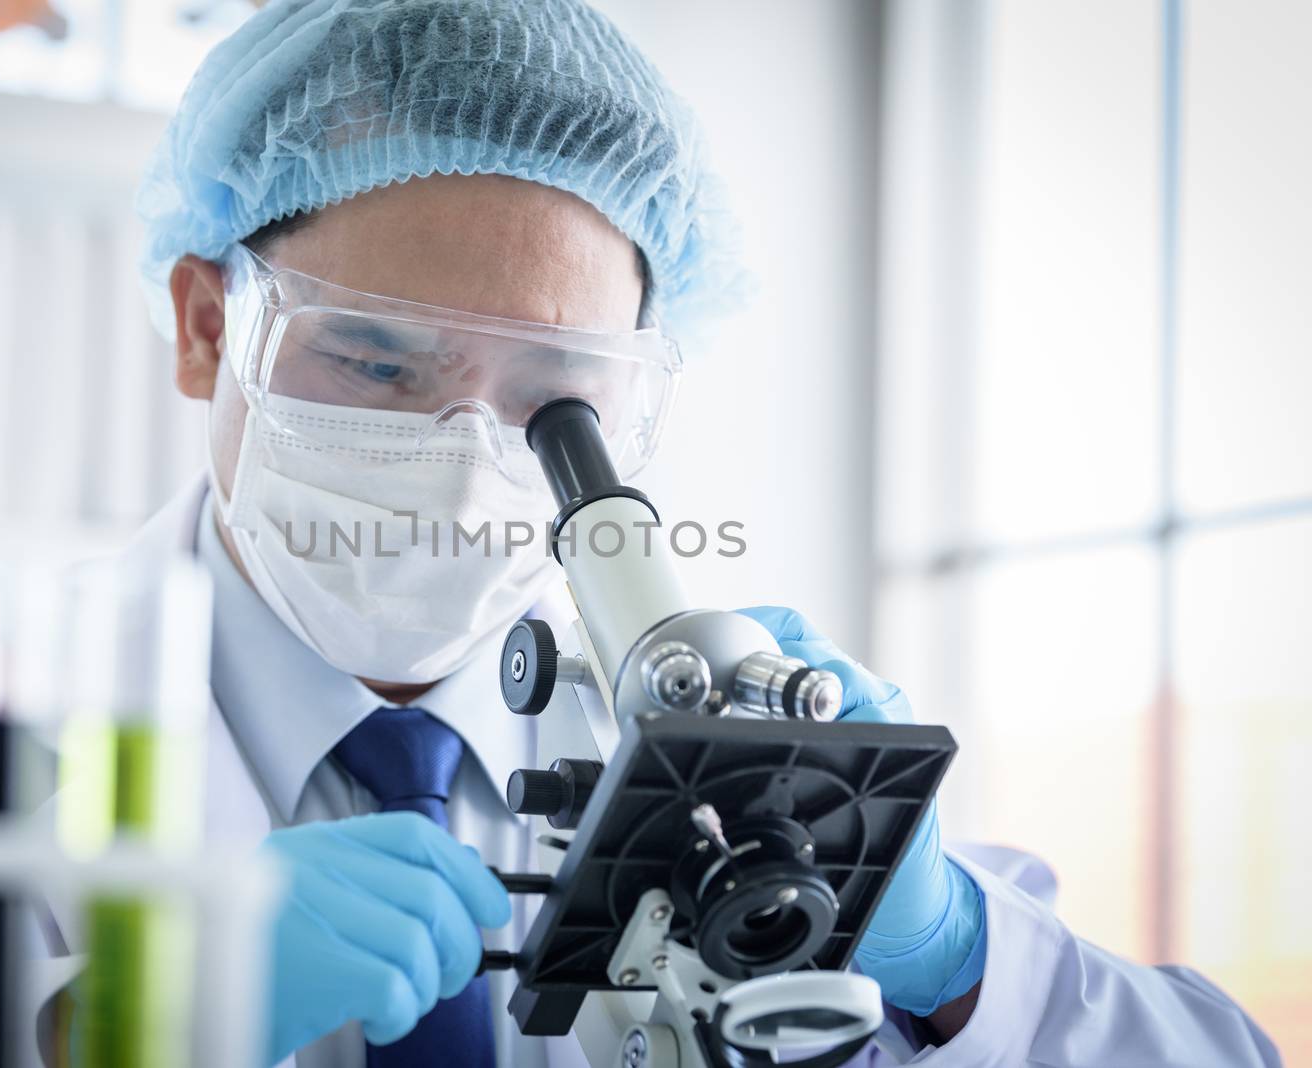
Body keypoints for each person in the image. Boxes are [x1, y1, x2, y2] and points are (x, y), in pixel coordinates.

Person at [126, 0, 1283, 1064]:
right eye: (377, 362)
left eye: (554, 403)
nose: (467, 465)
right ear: (206, 326)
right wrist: (115, 1024)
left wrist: (961, 968)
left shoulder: (718, 765)